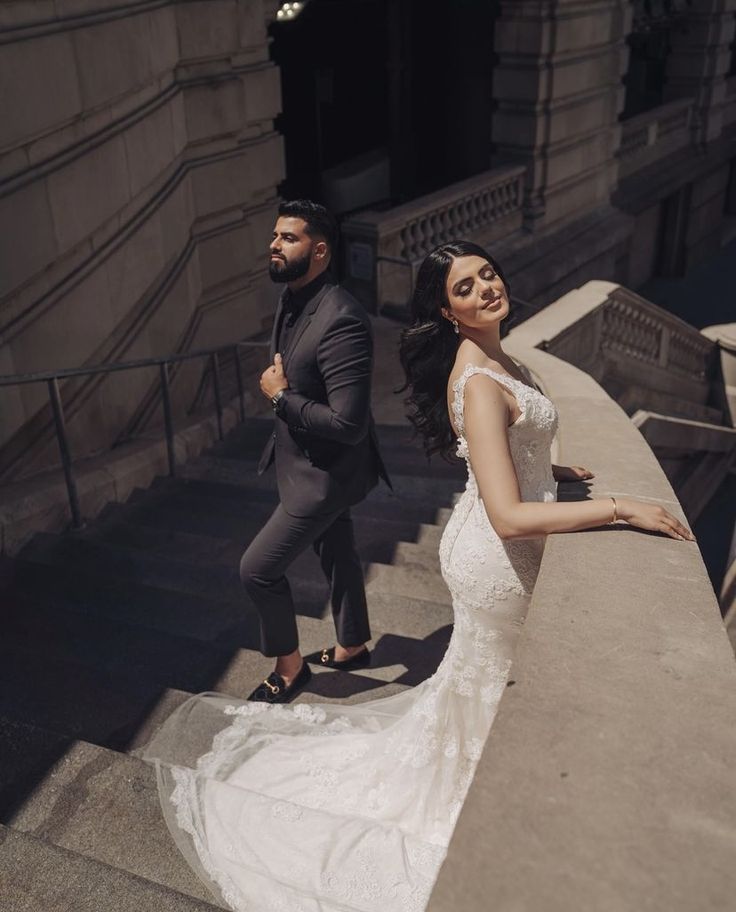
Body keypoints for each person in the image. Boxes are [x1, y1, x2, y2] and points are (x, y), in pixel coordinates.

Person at [139, 241, 693, 912]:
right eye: (466, 287)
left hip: (488, 538)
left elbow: (517, 454)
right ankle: (490, 810)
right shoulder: (481, 380)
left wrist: (551, 470)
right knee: (494, 687)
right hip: (496, 557)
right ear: (445, 308)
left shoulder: (500, 354)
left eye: (488, 274)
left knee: (478, 687)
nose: (486, 289)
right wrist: (618, 507)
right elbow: (511, 517)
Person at [241, 199, 390, 703]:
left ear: (320, 250)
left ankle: (290, 668)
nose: (274, 244)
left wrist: (281, 398)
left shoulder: (342, 320)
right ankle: (353, 645)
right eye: (275, 236)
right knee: (336, 548)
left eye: (288, 238)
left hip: (324, 475)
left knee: (258, 569)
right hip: (306, 463)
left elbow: (348, 424)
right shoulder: (292, 296)